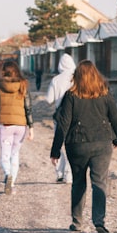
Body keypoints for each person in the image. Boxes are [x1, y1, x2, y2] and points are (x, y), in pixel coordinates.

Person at [51, 60, 117, 233]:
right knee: (99, 182)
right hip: (102, 143)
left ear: (77, 77)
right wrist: (116, 138)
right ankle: (99, 221)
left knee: (78, 182)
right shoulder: (105, 94)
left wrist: (55, 150)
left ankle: (77, 222)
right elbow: (116, 118)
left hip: (77, 144)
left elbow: (63, 124)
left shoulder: (71, 95)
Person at [0, 59, 33, 195]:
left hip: (5, 125)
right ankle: (12, 183)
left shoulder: (0, 85)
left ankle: (8, 174)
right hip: (20, 125)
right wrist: (31, 127)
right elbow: (28, 107)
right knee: (15, 154)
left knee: (5, 155)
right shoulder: (23, 85)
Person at [46, 53, 76, 183]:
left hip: (60, 116)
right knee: (71, 145)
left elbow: (49, 100)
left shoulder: (56, 80)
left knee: (60, 144)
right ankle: (69, 175)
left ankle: (59, 173)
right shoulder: (77, 79)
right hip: (76, 115)